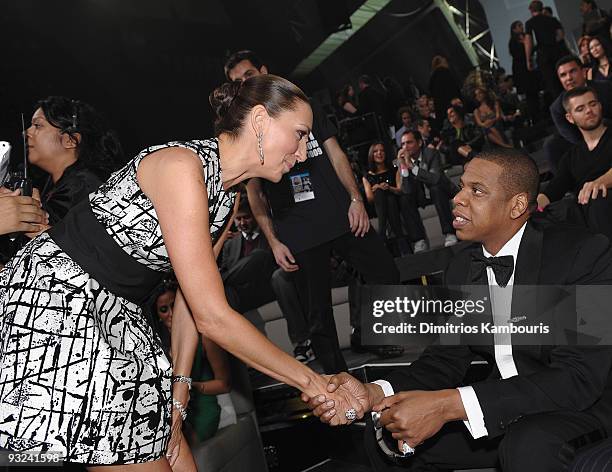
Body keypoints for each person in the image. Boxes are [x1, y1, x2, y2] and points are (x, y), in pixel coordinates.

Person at [0, 74, 362, 468]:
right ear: (260, 120)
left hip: (117, 314)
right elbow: (212, 316)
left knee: (173, 453)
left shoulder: (226, 196)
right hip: (61, 305)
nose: (306, 151)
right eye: (299, 133)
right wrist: (315, 383)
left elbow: (193, 298)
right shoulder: (182, 165)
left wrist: (180, 386)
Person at [307, 148, 612, 471]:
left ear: (518, 205)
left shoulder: (582, 254)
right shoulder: (462, 268)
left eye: (476, 191)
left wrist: (450, 405)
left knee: (530, 443)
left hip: (586, 407)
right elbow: (443, 361)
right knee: (386, 431)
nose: (458, 199)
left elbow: (577, 377)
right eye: (462, 187)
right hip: (505, 409)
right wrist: (373, 392)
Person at [224, 50, 399, 373]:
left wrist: (356, 200)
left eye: (248, 75)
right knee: (318, 313)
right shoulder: (248, 126)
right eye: (236, 82)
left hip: (340, 213)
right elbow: (255, 193)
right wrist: (274, 242)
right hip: (297, 229)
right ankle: (338, 381)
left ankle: (368, 333)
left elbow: (336, 154)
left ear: (263, 69)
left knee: (385, 272)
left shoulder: (301, 104)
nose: (244, 84)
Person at [219, 196, 314, 363]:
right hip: (246, 293)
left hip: (269, 286)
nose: (242, 223)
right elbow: (227, 270)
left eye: (246, 217)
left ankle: (303, 343)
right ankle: (239, 359)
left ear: (255, 216)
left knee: (259, 256)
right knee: (226, 291)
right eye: (238, 219)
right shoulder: (230, 244)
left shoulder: (271, 234)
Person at [27, 96, 121, 226]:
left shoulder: (82, 187)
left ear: (70, 140)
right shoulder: (56, 185)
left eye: (38, 125)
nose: (27, 132)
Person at [538, 86, 612, 240]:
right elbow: (555, 188)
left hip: (603, 205)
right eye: (580, 108)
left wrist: (600, 182)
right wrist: (533, 207)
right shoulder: (571, 156)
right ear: (570, 118)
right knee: (552, 213)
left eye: (593, 104)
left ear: (600, 106)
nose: (589, 111)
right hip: (585, 213)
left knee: (598, 198)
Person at [396, 129, 458, 252]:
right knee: (404, 199)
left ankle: (449, 233)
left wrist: (412, 167)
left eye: (409, 143)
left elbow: (435, 179)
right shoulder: (402, 160)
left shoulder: (431, 153)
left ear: (419, 143)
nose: (405, 147)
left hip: (440, 190)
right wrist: (403, 166)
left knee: (436, 189)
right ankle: (419, 240)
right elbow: (407, 190)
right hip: (421, 196)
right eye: (403, 144)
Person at [362, 142, 406, 252]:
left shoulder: (394, 170)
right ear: (371, 155)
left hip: (395, 202)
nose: (379, 153)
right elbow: (370, 198)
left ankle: (382, 233)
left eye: (382, 150)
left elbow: (400, 190)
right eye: (376, 151)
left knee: (390, 198)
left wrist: (388, 187)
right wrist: (377, 188)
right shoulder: (367, 176)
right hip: (377, 206)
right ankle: (400, 239)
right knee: (380, 193)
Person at [524, 0, 568, 101]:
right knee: (563, 78)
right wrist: (552, 42)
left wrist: (528, 59)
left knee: (552, 83)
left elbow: (529, 42)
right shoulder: (552, 20)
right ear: (542, 8)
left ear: (531, 10)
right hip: (558, 53)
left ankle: (562, 107)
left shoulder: (530, 23)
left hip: (543, 55)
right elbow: (560, 35)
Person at [509, 20, 541, 122]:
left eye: (521, 25)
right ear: (514, 29)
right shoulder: (513, 42)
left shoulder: (526, 38)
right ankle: (535, 118)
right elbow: (517, 54)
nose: (521, 27)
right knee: (529, 95)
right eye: (519, 26)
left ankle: (539, 116)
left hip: (528, 69)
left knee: (534, 93)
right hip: (521, 70)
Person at [428, 56, 461, 129]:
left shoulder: (432, 79)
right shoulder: (445, 73)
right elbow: (453, 90)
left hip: (441, 110)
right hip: (452, 107)